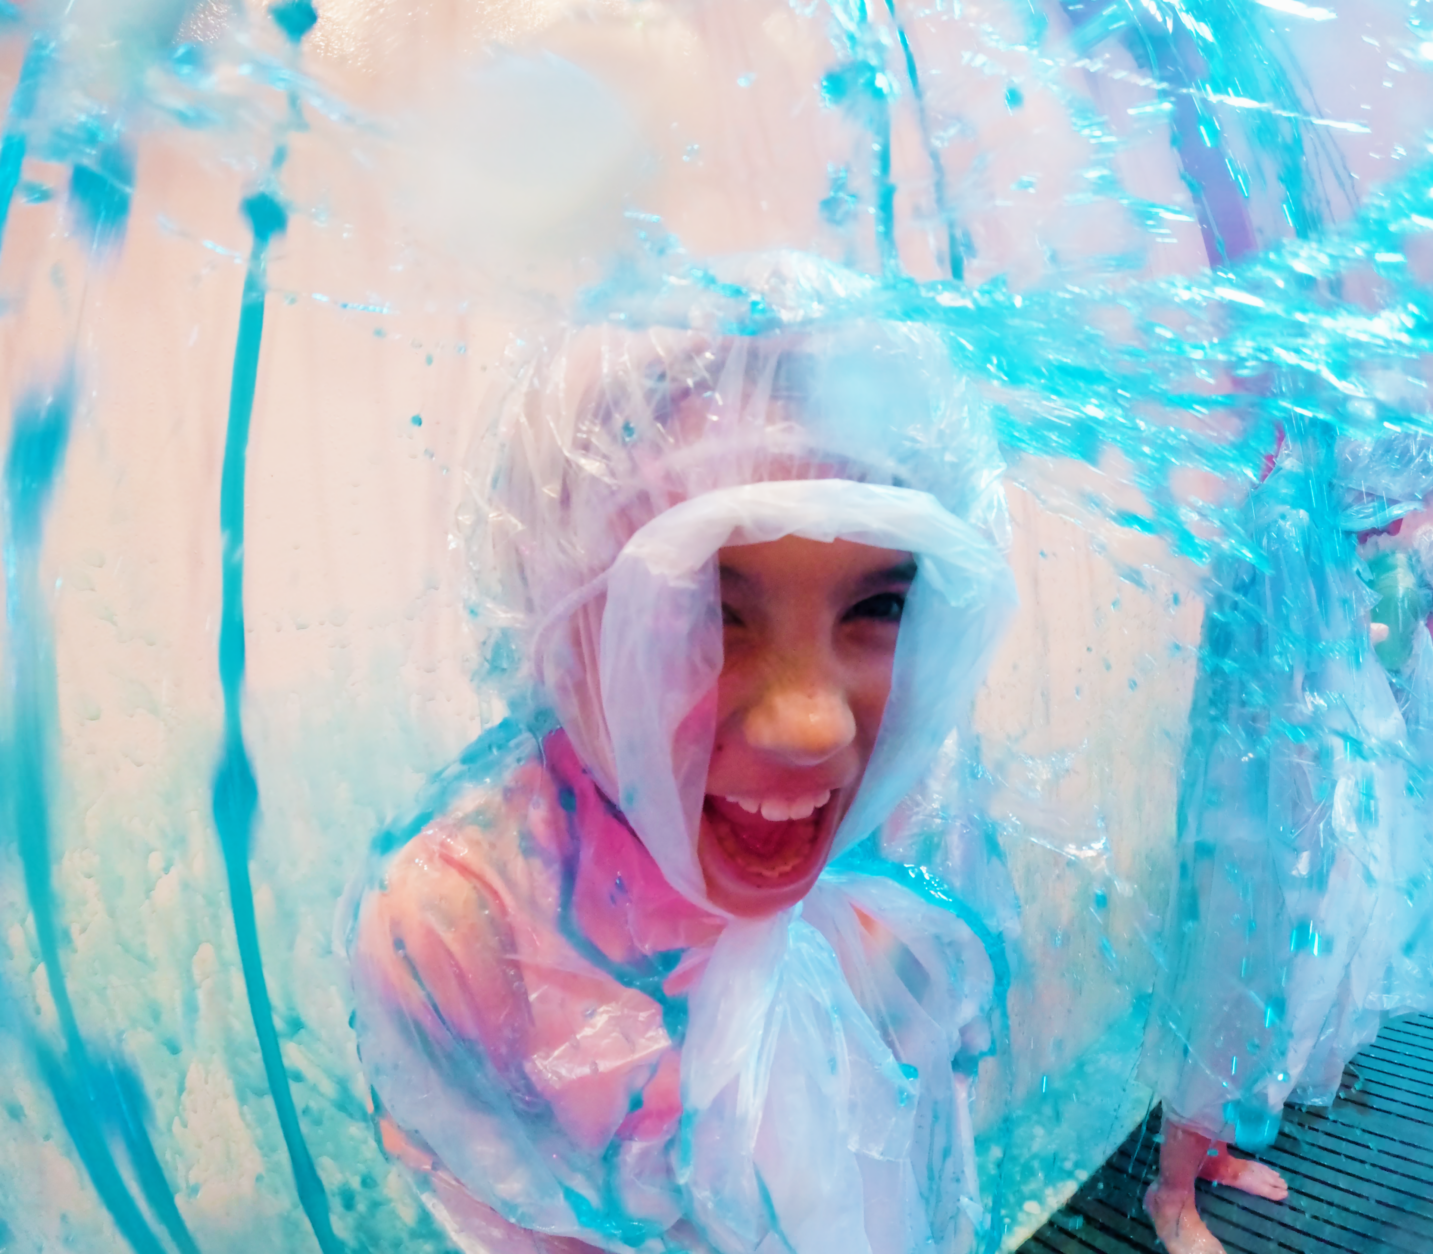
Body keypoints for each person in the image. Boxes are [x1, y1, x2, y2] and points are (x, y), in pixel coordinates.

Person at [342, 255, 1021, 1254]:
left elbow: (936, 1104)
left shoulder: (916, 810)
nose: (814, 728)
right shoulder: (462, 927)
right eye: (704, 609)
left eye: (878, 605)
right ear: (559, 618)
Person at [1141, 420, 1433, 1254]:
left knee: (1254, 993)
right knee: (1230, 993)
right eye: (1398, 506)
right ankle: (1170, 1197)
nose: (1394, 531)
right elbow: (1277, 704)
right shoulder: (1288, 533)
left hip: (1275, 810)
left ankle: (1211, 1153)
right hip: (1260, 820)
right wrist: (1312, 834)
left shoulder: (1309, 526)